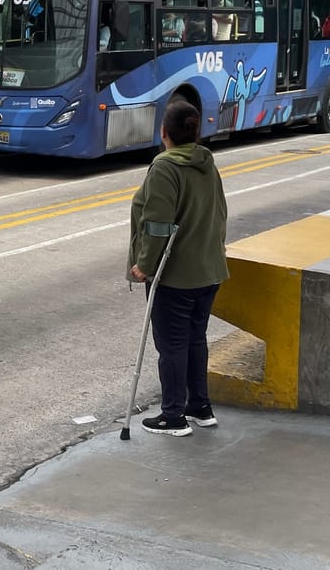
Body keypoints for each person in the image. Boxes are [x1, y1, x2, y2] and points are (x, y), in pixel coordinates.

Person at [127, 99, 229, 437]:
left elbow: (157, 224)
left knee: (171, 346)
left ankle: (173, 415)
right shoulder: (207, 164)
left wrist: (144, 265)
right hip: (208, 271)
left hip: (175, 275)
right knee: (195, 340)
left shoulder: (165, 168)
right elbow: (221, 214)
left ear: (164, 132)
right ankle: (199, 407)